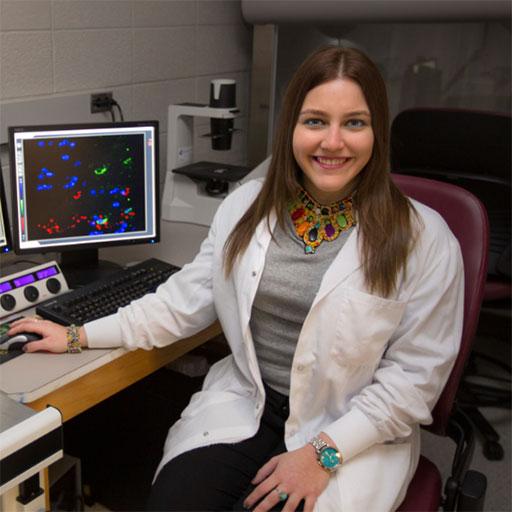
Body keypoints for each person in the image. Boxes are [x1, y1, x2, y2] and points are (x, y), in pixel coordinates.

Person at [9, 45, 463, 512]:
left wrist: (321, 455)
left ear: (376, 132)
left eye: (354, 122)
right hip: (248, 403)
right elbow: (180, 303)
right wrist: (78, 334)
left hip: (350, 429)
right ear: (290, 128)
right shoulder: (245, 210)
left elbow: (412, 382)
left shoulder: (425, 240)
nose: (332, 141)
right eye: (314, 121)